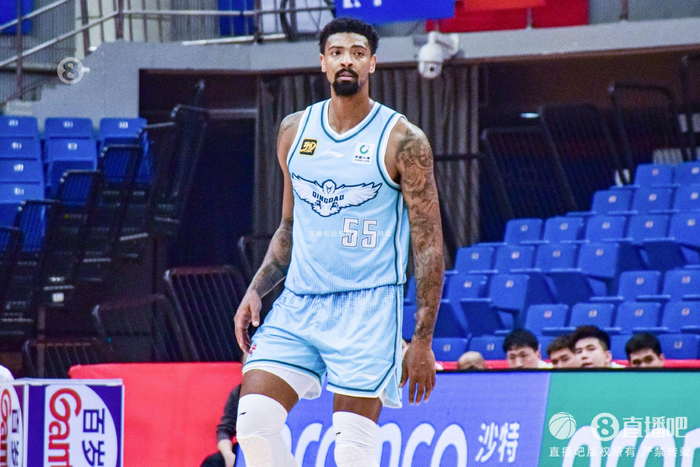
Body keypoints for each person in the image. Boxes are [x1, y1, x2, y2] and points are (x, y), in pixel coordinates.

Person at [233, 17, 444, 467]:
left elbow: (428, 246)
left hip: (368, 307)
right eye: (337, 52)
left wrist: (422, 340)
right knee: (254, 425)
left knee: (351, 451)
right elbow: (289, 226)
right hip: (299, 302)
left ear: (373, 63)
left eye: (357, 53)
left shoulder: (404, 140)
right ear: (323, 63)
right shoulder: (294, 130)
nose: (347, 60)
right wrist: (257, 288)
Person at [201, 384, 241, 467]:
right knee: (213, 463)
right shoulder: (240, 391)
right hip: (245, 448)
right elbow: (225, 429)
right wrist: (228, 454)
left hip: (267, 449)